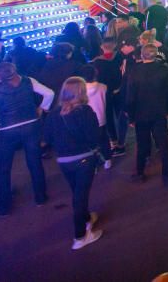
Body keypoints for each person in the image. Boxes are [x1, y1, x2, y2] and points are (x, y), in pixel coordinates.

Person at [0, 62, 53, 215]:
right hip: (31, 125)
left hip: (8, 130)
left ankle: (4, 206)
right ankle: (40, 197)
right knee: (34, 162)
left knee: (3, 169)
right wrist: (42, 108)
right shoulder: (28, 81)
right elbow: (50, 93)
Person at [44, 77, 104, 250]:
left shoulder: (54, 113)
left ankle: (86, 218)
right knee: (80, 197)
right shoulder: (85, 111)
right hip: (84, 159)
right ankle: (80, 236)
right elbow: (94, 136)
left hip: (63, 161)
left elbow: (47, 138)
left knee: (77, 192)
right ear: (82, 92)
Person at [124, 43, 168, 184]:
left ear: (142, 55)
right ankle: (166, 176)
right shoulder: (163, 70)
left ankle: (139, 172)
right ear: (156, 54)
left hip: (141, 114)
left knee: (142, 144)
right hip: (159, 112)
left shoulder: (134, 71)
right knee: (163, 145)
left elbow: (130, 97)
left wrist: (131, 117)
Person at [79, 65, 112, 168]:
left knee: (89, 142)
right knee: (104, 139)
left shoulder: (81, 90)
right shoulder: (103, 86)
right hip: (101, 117)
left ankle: (94, 163)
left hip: (86, 120)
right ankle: (108, 160)